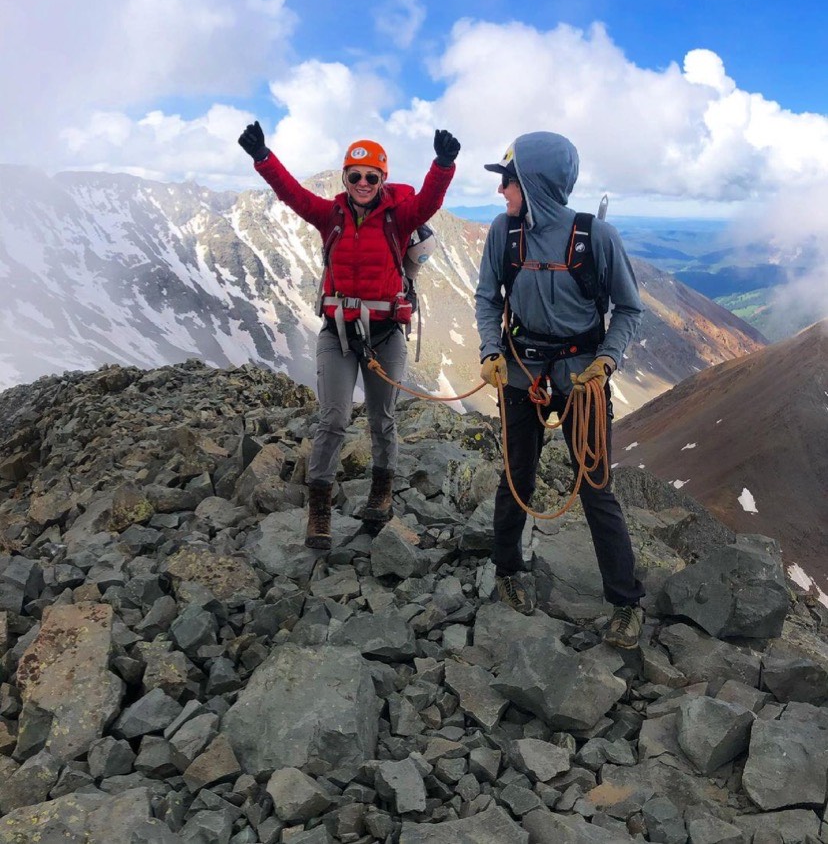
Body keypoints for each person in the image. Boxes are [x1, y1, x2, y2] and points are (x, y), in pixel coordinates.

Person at [239, 121, 460, 549]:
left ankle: (381, 494)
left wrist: (443, 166)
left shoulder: (400, 218)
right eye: (355, 176)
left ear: (382, 180)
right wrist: (263, 158)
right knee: (334, 418)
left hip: (385, 334)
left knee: (383, 419)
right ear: (345, 177)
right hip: (337, 333)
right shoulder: (331, 216)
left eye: (371, 176)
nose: (362, 183)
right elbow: (292, 195)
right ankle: (318, 511)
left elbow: (430, 202)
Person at [474, 131, 645, 648]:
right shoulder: (504, 235)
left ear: (535, 181)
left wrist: (607, 360)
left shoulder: (598, 237)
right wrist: (490, 351)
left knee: (594, 485)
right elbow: (487, 300)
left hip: (581, 377)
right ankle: (508, 569)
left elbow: (629, 309)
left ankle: (625, 601)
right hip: (521, 371)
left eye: (509, 180)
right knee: (516, 475)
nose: (502, 191)